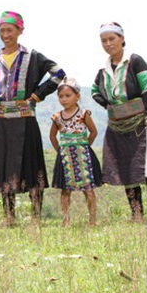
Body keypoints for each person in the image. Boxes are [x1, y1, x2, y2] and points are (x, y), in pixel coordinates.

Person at [0, 11, 66, 226]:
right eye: (2, 30)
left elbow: (58, 73)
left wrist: (38, 93)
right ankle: (9, 217)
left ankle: (36, 217)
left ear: (20, 31)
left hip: (26, 118)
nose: (5, 34)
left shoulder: (33, 56)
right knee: (4, 167)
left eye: (10, 30)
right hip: (1, 121)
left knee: (31, 165)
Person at [92, 22, 147, 222]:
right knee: (127, 168)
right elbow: (94, 91)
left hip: (140, 123)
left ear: (122, 39)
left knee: (144, 166)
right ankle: (137, 213)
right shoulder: (103, 69)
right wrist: (109, 105)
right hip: (117, 125)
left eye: (112, 39)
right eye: (104, 40)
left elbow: (146, 89)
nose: (108, 44)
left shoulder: (135, 62)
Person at [49, 77, 102, 227]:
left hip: (83, 155)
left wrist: (85, 146)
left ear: (77, 96)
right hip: (65, 156)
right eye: (61, 96)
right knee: (65, 190)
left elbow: (93, 132)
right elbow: (52, 135)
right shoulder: (57, 117)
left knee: (88, 189)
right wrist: (59, 150)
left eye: (68, 96)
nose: (64, 99)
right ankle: (66, 221)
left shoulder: (84, 114)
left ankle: (92, 220)